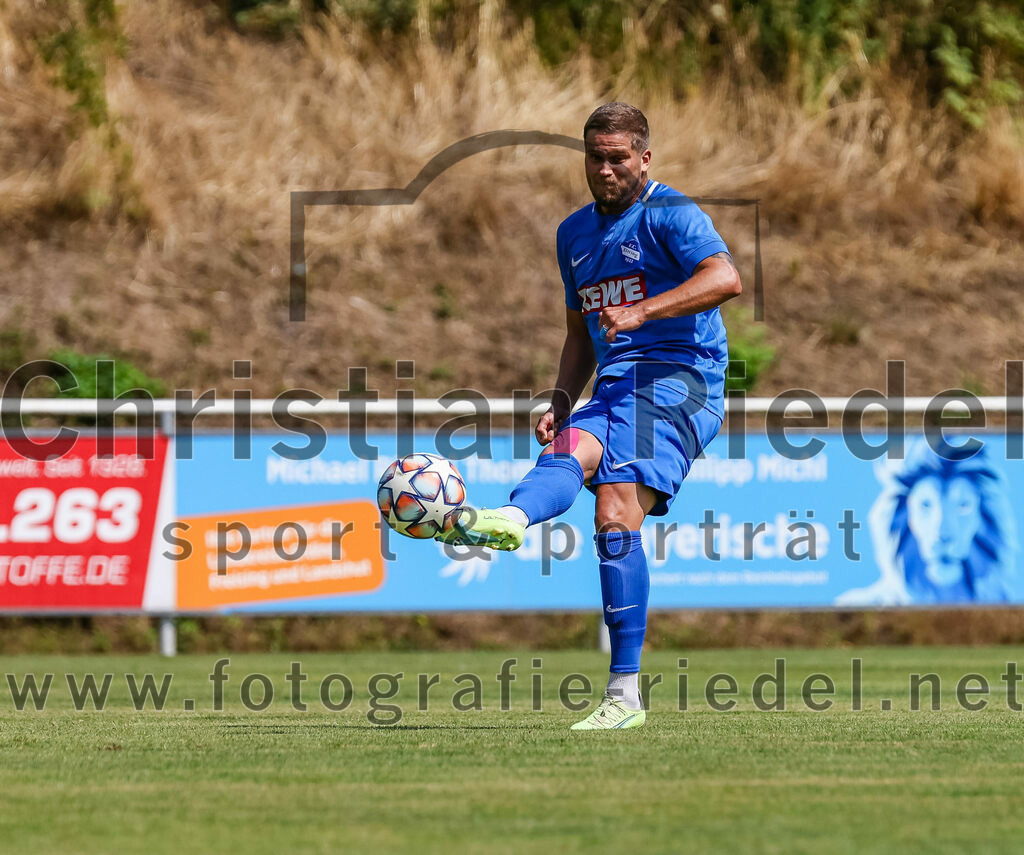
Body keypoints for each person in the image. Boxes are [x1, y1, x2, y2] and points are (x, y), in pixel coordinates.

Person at [439, 102, 742, 730]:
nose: (605, 169)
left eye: (618, 158)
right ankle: (510, 519)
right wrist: (559, 396)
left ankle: (624, 696)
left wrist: (644, 311)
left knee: (614, 507)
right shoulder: (573, 234)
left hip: (681, 382)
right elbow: (579, 331)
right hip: (612, 386)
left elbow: (725, 277)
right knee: (568, 449)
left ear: (644, 158)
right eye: (595, 157)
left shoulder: (673, 215)